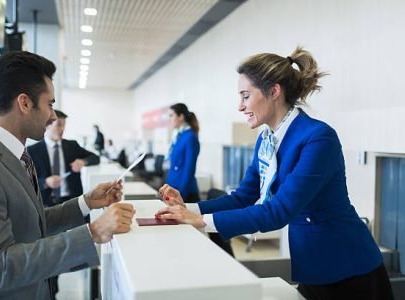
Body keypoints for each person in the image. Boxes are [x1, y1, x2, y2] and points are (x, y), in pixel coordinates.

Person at [156, 47, 394, 300]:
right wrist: (191, 209)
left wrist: (203, 221)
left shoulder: (317, 137)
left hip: (348, 267)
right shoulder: (267, 140)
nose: (240, 106)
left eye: (245, 96)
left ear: (274, 91)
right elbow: (243, 196)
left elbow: (280, 211)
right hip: (311, 264)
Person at [0, 51, 135, 300]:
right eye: (50, 104)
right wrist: (92, 232)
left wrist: (85, 203)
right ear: (25, 103)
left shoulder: (14, 155)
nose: (53, 115)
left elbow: (30, 223)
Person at [28, 109, 100, 207]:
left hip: (72, 201)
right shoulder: (32, 151)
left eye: (64, 125)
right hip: (45, 204)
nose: (62, 129)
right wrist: (45, 182)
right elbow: (27, 180)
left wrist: (83, 162)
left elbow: (95, 158)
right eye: (59, 125)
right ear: (47, 125)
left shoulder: (72, 146)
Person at [165, 103, 200, 203]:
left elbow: (189, 169)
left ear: (181, 117)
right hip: (173, 189)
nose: (170, 119)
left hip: (184, 193)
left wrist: (181, 194)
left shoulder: (190, 137)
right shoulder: (179, 136)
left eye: (172, 115)